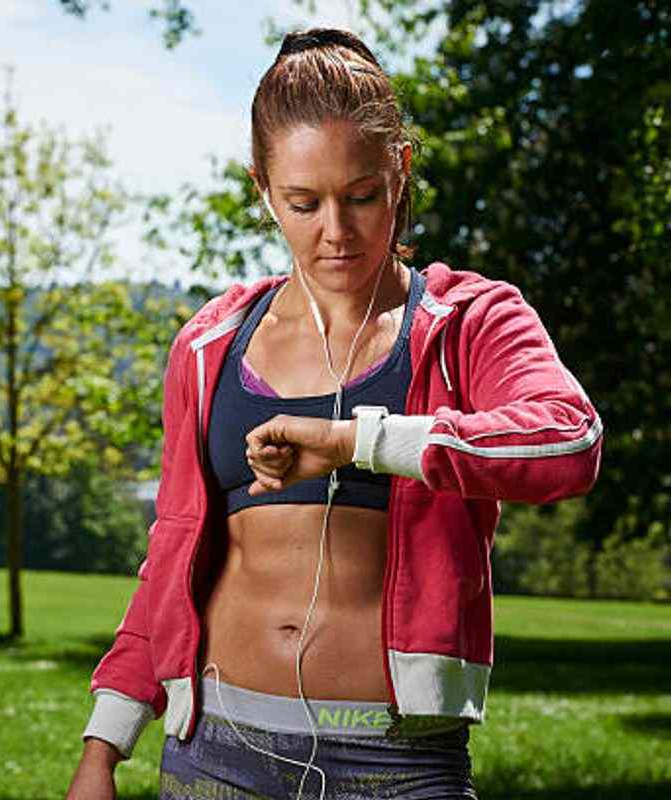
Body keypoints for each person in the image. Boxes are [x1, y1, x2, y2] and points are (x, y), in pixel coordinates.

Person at [65, 27, 603, 800]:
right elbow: (173, 554)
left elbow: (569, 442)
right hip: (214, 749)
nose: (336, 232)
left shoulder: (471, 321)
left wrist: (358, 442)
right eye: (302, 202)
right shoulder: (208, 345)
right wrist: (104, 744)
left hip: (400, 760)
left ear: (401, 169)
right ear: (262, 187)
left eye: (361, 196)